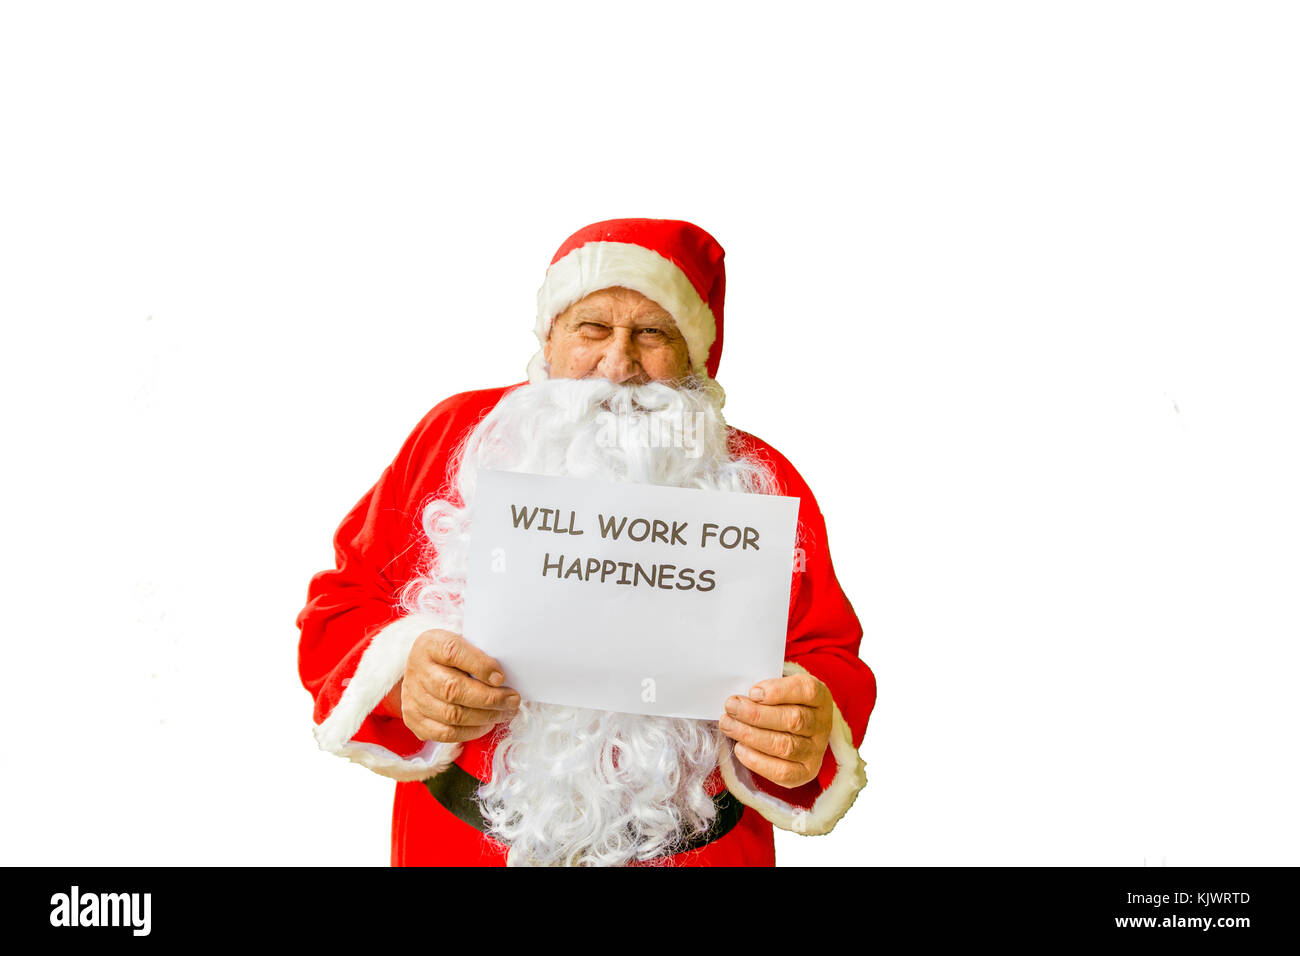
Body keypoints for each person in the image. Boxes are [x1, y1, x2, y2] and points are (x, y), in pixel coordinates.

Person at [297, 218, 877, 866]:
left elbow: (828, 653)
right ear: (550, 338)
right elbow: (340, 604)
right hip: (462, 848)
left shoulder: (763, 481)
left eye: (652, 333)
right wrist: (403, 675)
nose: (619, 364)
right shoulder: (452, 437)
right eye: (593, 328)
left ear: (696, 356)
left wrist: (803, 720)